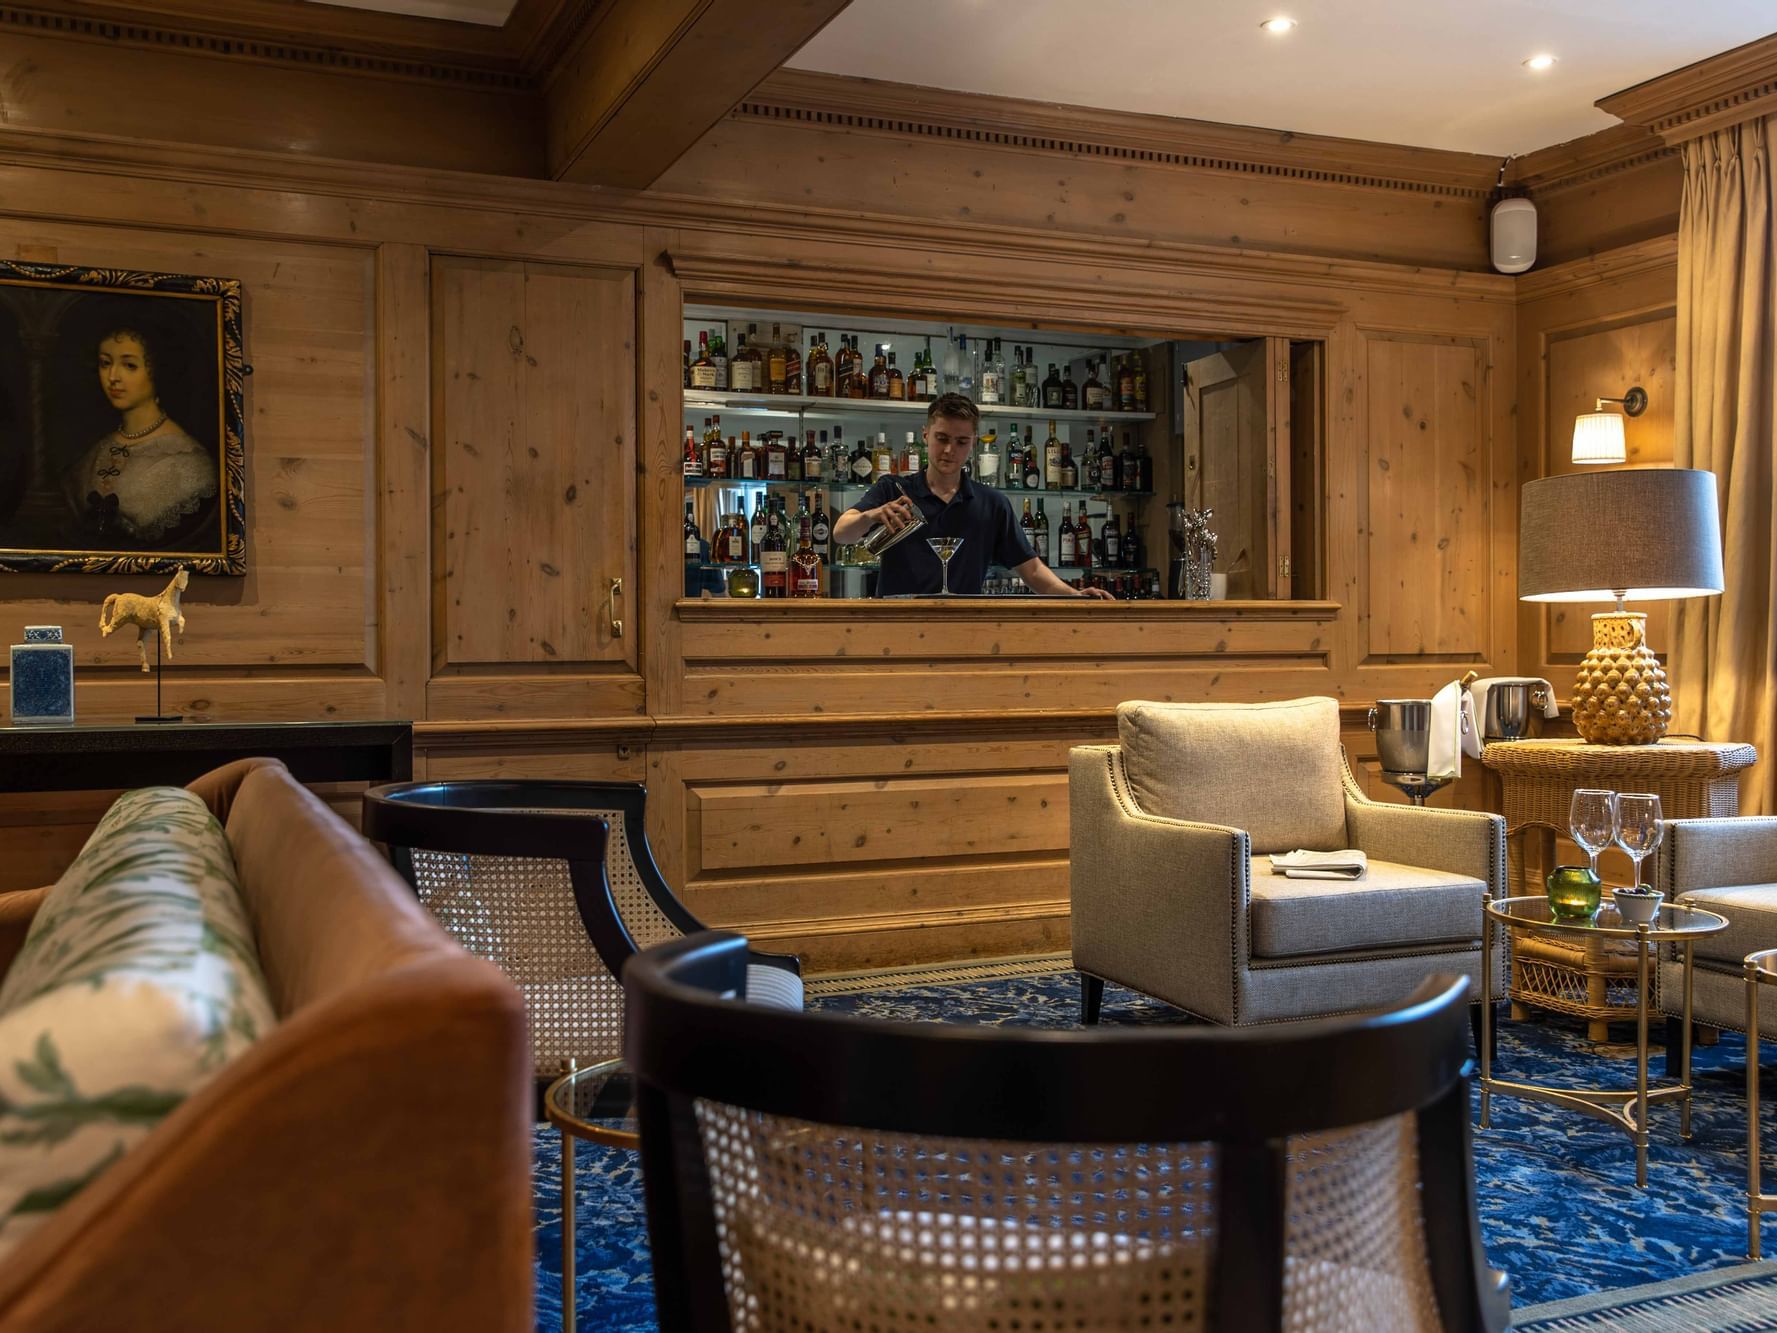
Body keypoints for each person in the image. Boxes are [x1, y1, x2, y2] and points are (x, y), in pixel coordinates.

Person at [832, 393, 1115, 599]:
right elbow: (841, 533)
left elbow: (1032, 571)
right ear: (926, 435)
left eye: (961, 442)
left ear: (974, 443)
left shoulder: (991, 503)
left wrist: (1074, 597)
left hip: (964, 627)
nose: (949, 450)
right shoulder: (893, 490)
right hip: (897, 626)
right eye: (941, 438)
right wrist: (872, 515)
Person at [64, 326, 217, 545]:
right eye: (105, 363)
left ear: (157, 370)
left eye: (129, 365)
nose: (113, 377)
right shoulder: (96, 451)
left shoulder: (188, 462)